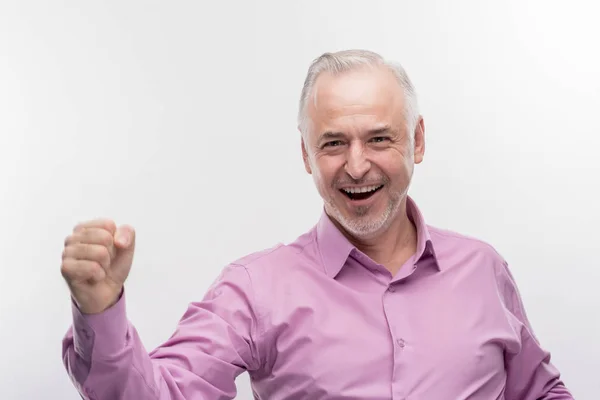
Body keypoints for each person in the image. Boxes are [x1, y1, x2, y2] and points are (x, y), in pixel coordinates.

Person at [61, 49, 573, 399]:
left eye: (378, 139)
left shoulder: (483, 269)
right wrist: (100, 310)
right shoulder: (254, 289)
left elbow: (539, 390)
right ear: (306, 154)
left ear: (416, 140)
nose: (356, 165)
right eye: (333, 143)